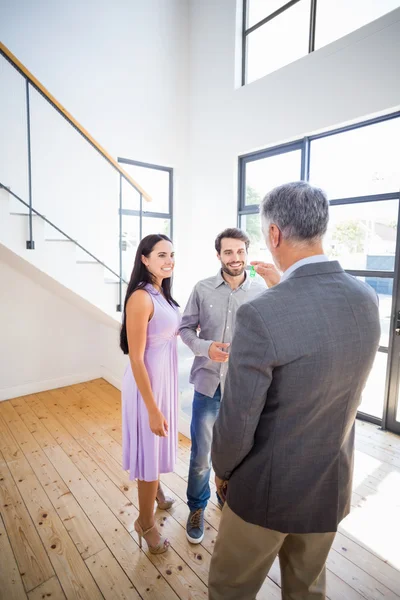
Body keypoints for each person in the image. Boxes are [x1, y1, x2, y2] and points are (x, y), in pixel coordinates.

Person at [209, 182, 380, 600]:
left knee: (230, 588)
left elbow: (238, 419)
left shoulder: (260, 314)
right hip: (329, 482)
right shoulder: (366, 297)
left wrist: (222, 469)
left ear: (273, 235)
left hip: (266, 490)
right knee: (307, 590)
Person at [179, 228, 266, 544]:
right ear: (219, 255)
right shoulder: (202, 289)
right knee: (202, 455)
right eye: (228, 252)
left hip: (244, 387)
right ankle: (196, 507)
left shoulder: (261, 290)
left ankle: (226, 494)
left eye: (240, 251)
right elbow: (186, 329)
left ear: (247, 252)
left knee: (241, 452)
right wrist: (206, 348)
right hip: (208, 383)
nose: (235, 258)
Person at [120, 233, 180, 554]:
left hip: (163, 381)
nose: (169, 260)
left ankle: (155, 493)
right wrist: (153, 408)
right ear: (144, 259)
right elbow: (136, 357)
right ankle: (145, 523)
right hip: (147, 386)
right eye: (161, 255)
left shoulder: (161, 292)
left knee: (155, 448)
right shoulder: (141, 297)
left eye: (171, 254)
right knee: (149, 452)